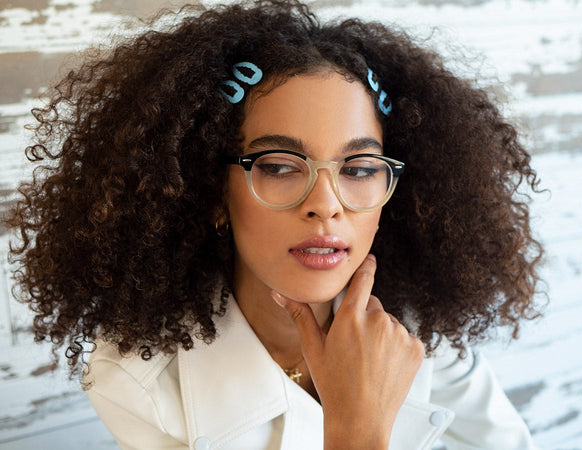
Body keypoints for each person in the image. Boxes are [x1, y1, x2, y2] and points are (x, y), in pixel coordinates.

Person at [5, 0, 545, 448]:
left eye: (358, 169)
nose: (326, 206)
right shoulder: (139, 382)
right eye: (281, 167)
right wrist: (357, 430)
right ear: (212, 193)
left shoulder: (422, 330)